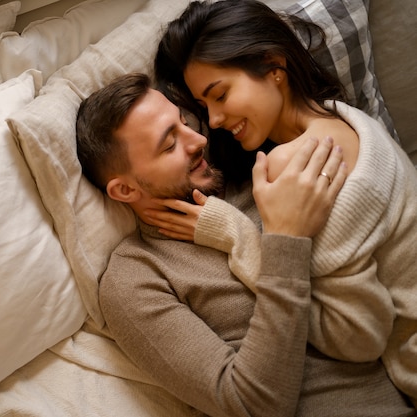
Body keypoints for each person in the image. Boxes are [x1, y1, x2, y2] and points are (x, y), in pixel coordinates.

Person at [76, 72, 415, 416]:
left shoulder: (268, 173)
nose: (197, 140)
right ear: (125, 190)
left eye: (184, 123)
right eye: (169, 144)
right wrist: (286, 240)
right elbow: (250, 405)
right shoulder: (135, 277)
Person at [150, 0, 417, 406]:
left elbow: (358, 338)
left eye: (219, 95)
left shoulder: (291, 165)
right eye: (204, 108)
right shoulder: (345, 118)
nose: (215, 121)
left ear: (274, 67)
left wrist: (237, 235)